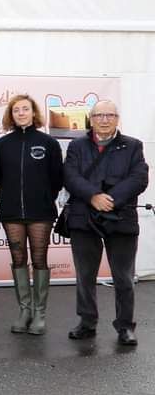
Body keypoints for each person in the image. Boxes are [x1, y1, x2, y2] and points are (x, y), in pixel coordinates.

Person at [63, 100, 148, 346]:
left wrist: (110, 200)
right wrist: (93, 196)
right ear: (91, 118)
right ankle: (87, 323)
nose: (104, 119)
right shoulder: (77, 146)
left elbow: (139, 178)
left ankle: (125, 327)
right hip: (84, 218)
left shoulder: (133, 146)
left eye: (110, 114)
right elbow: (70, 176)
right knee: (85, 276)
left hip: (120, 219)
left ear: (117, 118)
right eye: (99, 115)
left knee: (123, 278)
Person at [0, 94, 63, 335]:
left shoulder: (48, 143)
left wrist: (44, 195)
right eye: (16, 110)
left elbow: (57, 177)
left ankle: (40, 314)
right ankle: (24, 311)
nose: (21, 113)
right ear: (11, 115)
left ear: (34, 113)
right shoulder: (2, 144)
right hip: (11, 211)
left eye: (25, 109)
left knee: (40, 259)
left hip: (40, 211)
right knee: (18, 259)